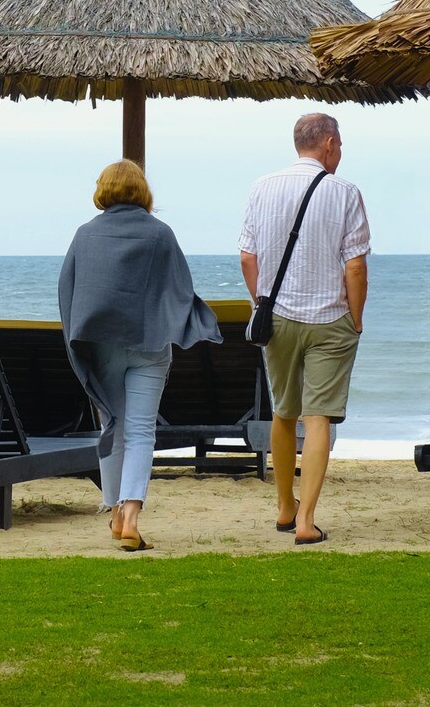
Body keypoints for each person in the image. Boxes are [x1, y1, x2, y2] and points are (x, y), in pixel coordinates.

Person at [58, 158, 220, 552]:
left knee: (112, 425)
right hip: (150, 346)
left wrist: (78, 344)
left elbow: (69, 294)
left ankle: (116, 511)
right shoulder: (160, 234)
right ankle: (129, 514)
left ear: (103, 191)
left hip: (101, 347)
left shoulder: (85, 235)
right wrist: (197, 322)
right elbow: (179, 289)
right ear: (143, 192)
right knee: (141, 431)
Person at [240, 112, 371, 546]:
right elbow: (355, 266)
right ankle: (306, 521)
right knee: (318, 419)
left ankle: (284, 506)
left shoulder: (261, 187)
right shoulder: (345, 192)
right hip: (329, 317)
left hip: (277, 317)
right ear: (329, 143)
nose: (341, 152)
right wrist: (356, 318)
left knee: (283, 412)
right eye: (341, 145)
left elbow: (247, 257)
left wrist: (262, 302)